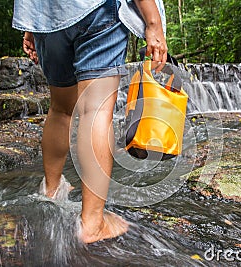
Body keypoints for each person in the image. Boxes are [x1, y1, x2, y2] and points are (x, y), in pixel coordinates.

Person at [12, 0, 168, 243]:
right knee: (94, 110)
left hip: (47, 17)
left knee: (60, 109)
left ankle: (51, 190)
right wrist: (153, 23)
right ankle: (93, 224)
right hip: (97, 10)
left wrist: (32, 25)